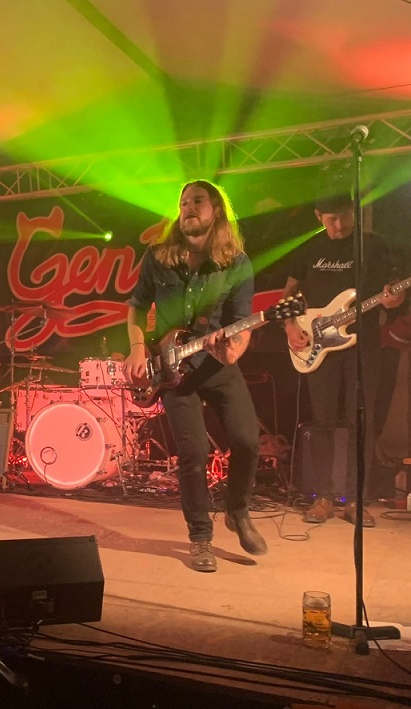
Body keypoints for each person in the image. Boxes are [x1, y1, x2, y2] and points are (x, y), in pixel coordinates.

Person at [123, 180, 267, 573]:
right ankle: (200, 536)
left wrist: (232, 350)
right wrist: (137, 347)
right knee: (193, 453)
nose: (188, 207)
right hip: (172, 372)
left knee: (247, 441)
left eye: (197, 201)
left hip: (217, 365)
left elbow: (241, 323)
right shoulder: (158, 256)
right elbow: (136, 307)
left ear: (216, 209)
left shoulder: (235, 262)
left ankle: (237, 511)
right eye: (184, 201)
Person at [281, 194, 404, 526]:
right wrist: (290, 327)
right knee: (321, 421)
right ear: (319, 216)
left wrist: (394, 299)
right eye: (332, 219)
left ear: (354, 212)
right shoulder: (309, 249)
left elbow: (394, 292)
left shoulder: (373, 246)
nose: (339, 225)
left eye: (345, 217)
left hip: (363, 346)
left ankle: (356, 500)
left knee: (360, 422)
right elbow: (289, 294)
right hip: (319, 345)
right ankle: (322, 497)